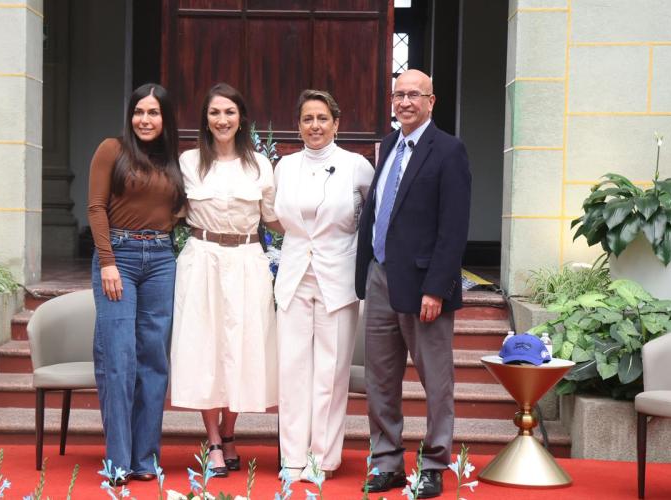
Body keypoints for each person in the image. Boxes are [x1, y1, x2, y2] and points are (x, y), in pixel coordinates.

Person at [356, 69, 471, 497]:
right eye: (398, 94)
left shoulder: (449, 150)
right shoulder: (389, 145)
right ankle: (387, 462)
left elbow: (453, 228)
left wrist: (436, 288)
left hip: (424, 286)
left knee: (436, 382)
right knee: (380, 380)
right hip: (381, 277)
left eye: (414, 95)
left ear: (431, 101)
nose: (404, 102)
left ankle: (434, 464)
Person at [170, 82, 281, 477]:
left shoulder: (259, 164)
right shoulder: (188, 162)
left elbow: (275, 219)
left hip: (248, 260)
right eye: (215, 112)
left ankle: (231, 432)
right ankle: (214, 440)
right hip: (202, 259)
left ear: (241, 118)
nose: (222, 119)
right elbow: (170, 211)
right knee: (206, 347)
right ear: (206, 118)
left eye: (229, 112)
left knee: (242, 347)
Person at [273, 89, 374, 482]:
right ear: (298, 126)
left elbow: (372, 219)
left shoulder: (356, 166)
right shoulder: (285, 166)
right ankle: (292, 457)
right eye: (307, 119)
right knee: (292, 370)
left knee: (331, 373)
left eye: (322, 118)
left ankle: (322, 459)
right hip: (294, 276)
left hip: (338, 277)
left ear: (336, 123)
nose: (314, 126)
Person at [87, 84, 185, 484]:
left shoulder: (173, 160)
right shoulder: (112, 149)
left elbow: (181, 209)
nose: (145, 120)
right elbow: (96, 207)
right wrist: (108, 262)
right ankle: (118, 462)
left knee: (154, 360)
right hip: (119, 258)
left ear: (165, 119)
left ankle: (145, 459)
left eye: (154, 113)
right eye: (139, 112)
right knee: (119, 358)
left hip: (161, 259)